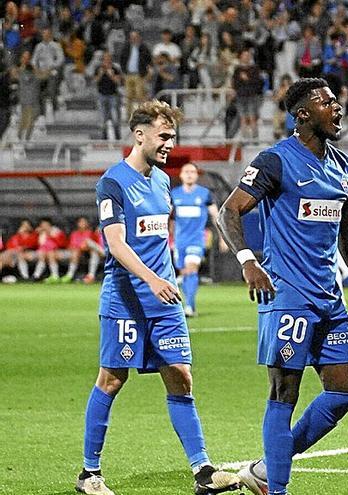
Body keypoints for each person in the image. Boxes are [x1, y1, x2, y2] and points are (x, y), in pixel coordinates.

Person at [215, 77, 348, 495]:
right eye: (327, 102)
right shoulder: (275, 161)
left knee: (343, 394)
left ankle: (264, 470)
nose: (338, 108)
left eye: (336, 100)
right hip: (287, 297)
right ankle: (276, 487)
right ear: (302, 115)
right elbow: (229, 212)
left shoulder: (343, 166)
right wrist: (248, 260)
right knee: (284, 393)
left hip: (329, 299)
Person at [76, 100, 241, 495]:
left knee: (181, 377)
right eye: (164, 136)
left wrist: (163, 277)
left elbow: (155, 238)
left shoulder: (163, 181)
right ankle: (88, 474)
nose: (170, 144)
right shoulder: (112, 183)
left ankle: (203, 472)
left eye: (173, 137)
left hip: (164, 299)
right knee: (112, 380)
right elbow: (115, 244)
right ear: (140, 134)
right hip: (127, 298)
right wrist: (151, 279)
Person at [171, 163, 219, 317]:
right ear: (181, 175)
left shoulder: (205, 194)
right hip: (180, 241)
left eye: (192, 171)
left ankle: (189, 307)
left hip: (197, 240)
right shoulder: (174, 194)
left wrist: (223, 237)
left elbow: (215, 215)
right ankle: (188, 304)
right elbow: (168, 218)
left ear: (197, 175)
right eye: (186, 171)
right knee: (185, 272)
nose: (189, 174)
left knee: (191, 269)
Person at [63, 216, 105, 283]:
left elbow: (96, 242)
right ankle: (90, 276)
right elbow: (70, 246)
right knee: (91, 252)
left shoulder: (91, 233)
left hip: (93, 251)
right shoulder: (74, 233)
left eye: (84, 222)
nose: (82, 224)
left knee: (88, 243)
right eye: (81, 222)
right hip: (80, 253)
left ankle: (103, 253)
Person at [32, 217, 68, 282]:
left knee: (50, 253)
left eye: (45, 224)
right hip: (42, 252)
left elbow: (61, 243)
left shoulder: (56, 231)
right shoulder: (39, 232)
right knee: (42, 253)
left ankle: (55, 276)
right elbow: (34, 244)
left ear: (49, 224)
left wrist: (49, 234)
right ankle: (36, 276)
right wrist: (36, 234)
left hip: (56, 251)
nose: (44, 226)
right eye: (42, 224)